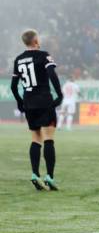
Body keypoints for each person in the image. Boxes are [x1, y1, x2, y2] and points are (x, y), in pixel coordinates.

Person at [11, 29, 63, 190]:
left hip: (29, 102)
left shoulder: (18, 60)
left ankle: (35, 174)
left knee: (35, 138)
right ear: (35, 41)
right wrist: (59, 94)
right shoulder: (43, 55)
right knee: (48, 138)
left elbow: (13, 86)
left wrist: (20, 102)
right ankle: (49, 177)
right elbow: (52, 74)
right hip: (44, 100)